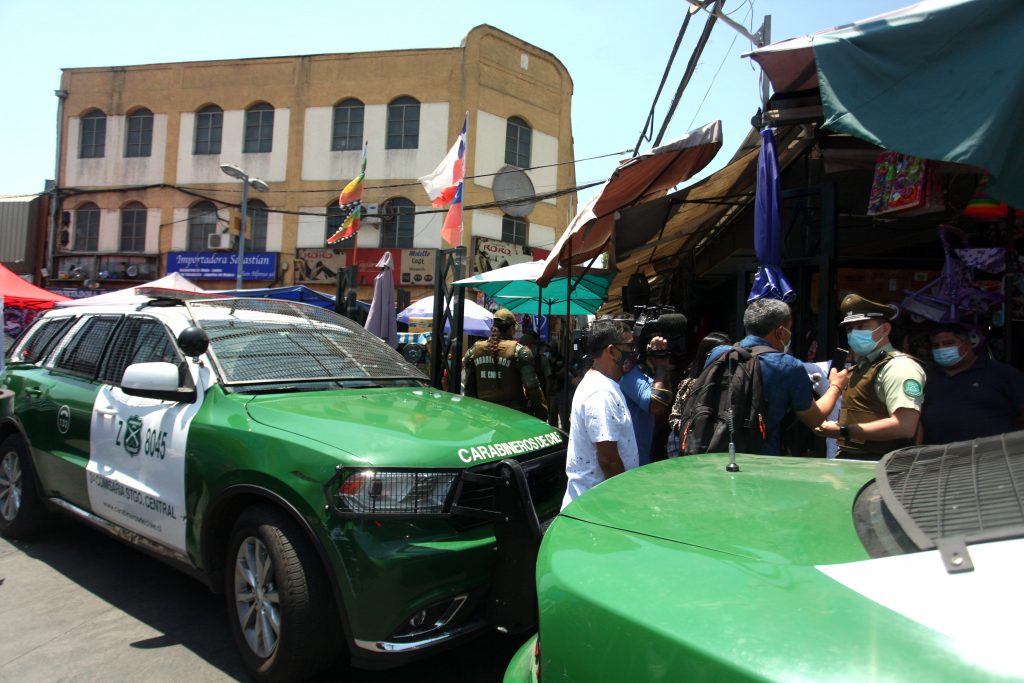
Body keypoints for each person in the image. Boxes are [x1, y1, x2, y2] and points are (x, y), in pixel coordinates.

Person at [701, 298, 849, 455]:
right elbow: (814, 418)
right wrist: (836, 386)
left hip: (712, 451)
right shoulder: (788, 366)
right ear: (780, 332)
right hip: (760, 460)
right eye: (789, 329)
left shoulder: (718, 354)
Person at [815, 294, 926, 459]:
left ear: (885, 329)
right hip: (855, 463)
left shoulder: (899, 367)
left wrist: (843, 430)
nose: (853, 333)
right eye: (849, 329)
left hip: (881, 467)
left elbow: (904, 426)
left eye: (861, 326)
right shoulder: (860, 367)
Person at [562, 319, 639, 509]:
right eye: (629, 346)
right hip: (597, 507)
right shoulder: (600, 394)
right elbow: (608, 460)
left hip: (599, 502)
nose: (634, 352)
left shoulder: (606, 384)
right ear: (612, 351)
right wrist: (627, 501)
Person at [919, 323, 1024, 444]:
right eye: (936, 346)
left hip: (992, 456)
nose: (941, 349)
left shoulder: (1001, 373)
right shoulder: (926, 375)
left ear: (967, 345)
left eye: (948, 344)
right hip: (937, 456)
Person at [461, 309, 547, 419]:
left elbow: (468, 387)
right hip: (513, 416)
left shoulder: (475, 350)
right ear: (511, 328)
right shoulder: (519, 351)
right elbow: (533, 389)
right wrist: (542, 416)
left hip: (482, 416)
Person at [667, 331, 731, 455]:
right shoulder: (690, 384)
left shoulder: (730, 385)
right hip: (688, 445)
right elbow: (674, 418)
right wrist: (695, 430)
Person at [617, 333, 673, 465]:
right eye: (630, 346)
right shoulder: (628, 373)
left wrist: (663, 365)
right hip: (631, 463)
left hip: (641, 457)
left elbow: (666, 399)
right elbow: (656, 405)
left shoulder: (640, 370)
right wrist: (661, 367)